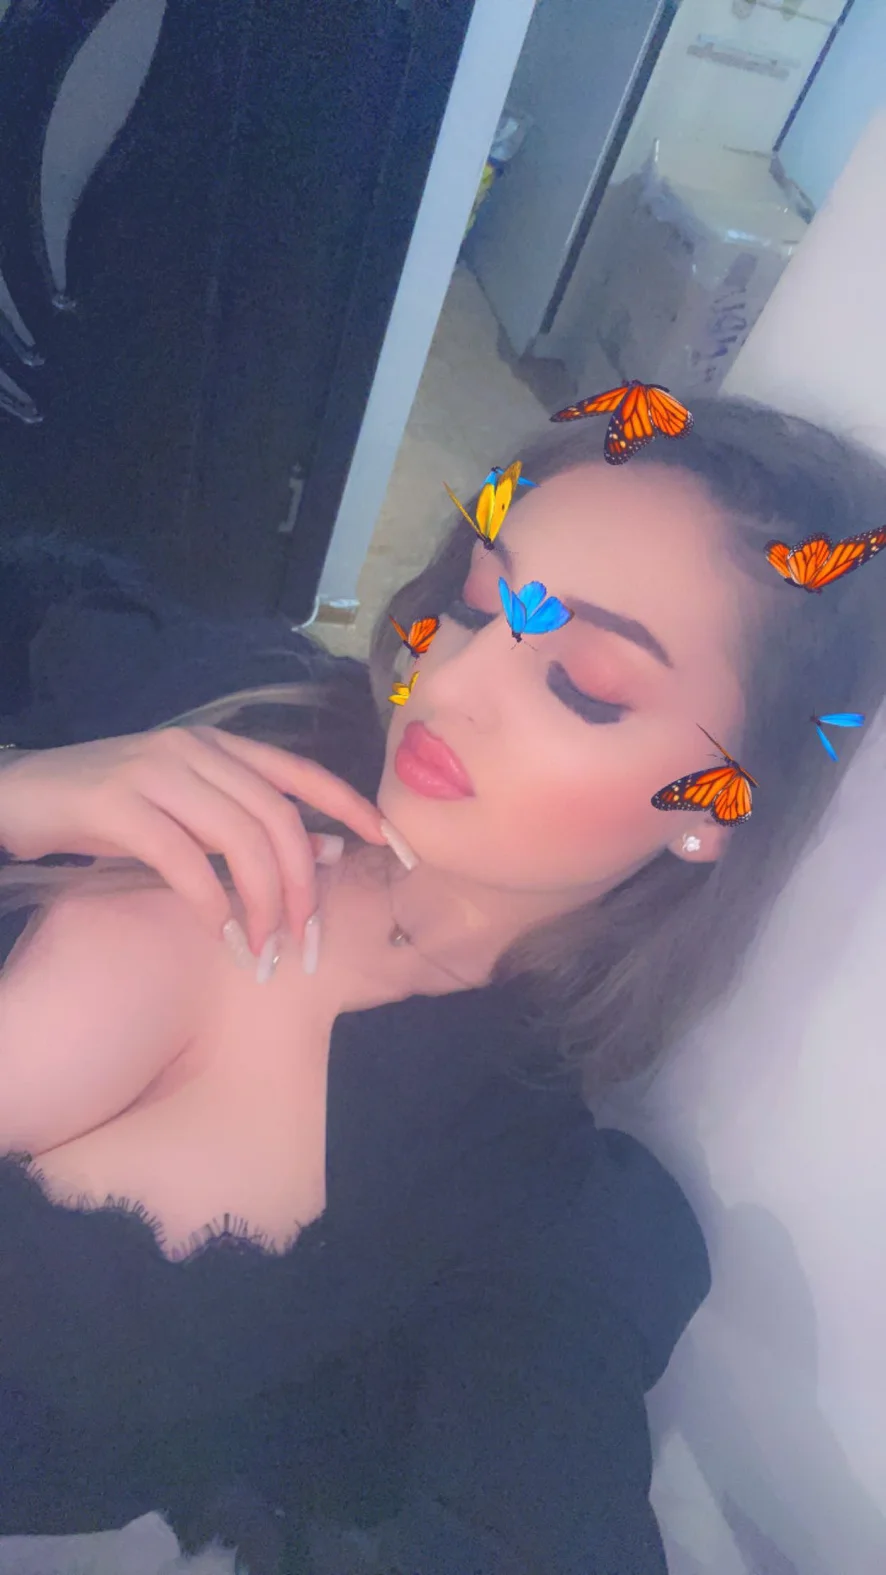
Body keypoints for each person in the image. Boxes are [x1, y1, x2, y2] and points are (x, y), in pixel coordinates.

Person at [0, 396, 884, 1575]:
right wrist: (20, 789)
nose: (453, 681)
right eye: (476, 604)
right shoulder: (229, 707)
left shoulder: (526, 1208)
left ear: (714, 809)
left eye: (586, 686)